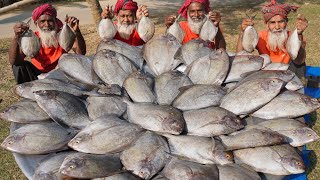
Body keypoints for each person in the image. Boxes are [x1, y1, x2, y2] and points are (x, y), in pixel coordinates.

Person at [8, 3, 86, 84]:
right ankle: (28, 92)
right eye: (42, 21)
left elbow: (81, 53)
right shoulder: (32, 37)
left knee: (72, 60)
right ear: (36, 23)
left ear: (55, 21)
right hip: (37, 75)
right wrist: (16, 37)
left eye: (50, 21)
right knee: (19, 66)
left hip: (60, 73)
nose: (47, 25)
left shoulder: (63, 34)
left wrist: (77, 31)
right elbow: (14, 61)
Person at [236, 0, 308, 78]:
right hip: (266, 74)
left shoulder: (294, 37)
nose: (277, 27)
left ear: (286, 22)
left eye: (280, 22)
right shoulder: (261, 37)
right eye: (273, 22)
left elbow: (300, 61)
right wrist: (243, 32)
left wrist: (299, 34)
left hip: (287, 73)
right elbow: (240, 55)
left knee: (299, 66)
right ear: (267, 24)